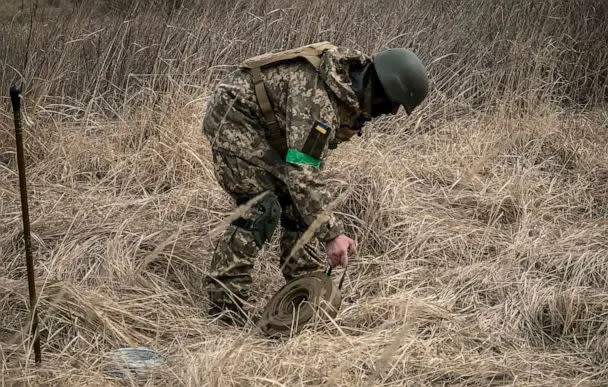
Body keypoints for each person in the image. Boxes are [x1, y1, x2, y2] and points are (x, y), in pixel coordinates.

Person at [201, 41, 429, 325]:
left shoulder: (345, 86)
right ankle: (224, 304)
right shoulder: (318, 101)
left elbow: (304, 173)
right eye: (393, 104)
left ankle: (305, 288)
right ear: (382, 89)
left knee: (300, 204)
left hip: (270, 126)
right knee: (262, 207)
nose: (391, 113)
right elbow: (302, 172)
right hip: (235, 119)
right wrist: (332, 234)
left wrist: (319, 221)